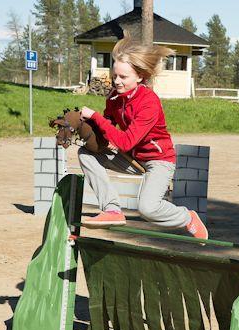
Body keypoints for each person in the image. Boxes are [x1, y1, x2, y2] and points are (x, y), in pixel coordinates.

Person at [78, 35, 208, 241]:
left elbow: (126, 141)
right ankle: (112, 210)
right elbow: (109, 124)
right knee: (86, 153)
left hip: (159, 161)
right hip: (132, 157)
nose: (117, 81)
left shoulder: (149, 102)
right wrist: (85, 126)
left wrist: (94, 116)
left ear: (139, 77)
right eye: (115, 76)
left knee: (148, 209)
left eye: (123, 77)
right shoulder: (114, 97)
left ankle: (187, 217)